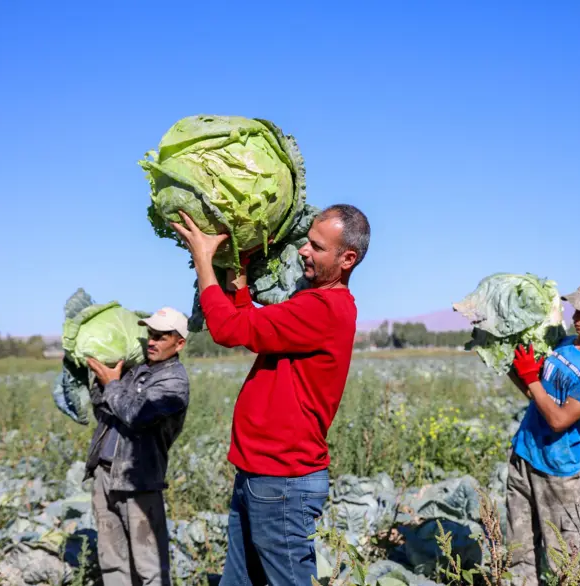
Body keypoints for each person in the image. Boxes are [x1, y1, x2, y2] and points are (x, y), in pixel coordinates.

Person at [170, 204, 370, 586]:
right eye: (307, 242)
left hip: (282, 481)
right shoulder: (312, 305)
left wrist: (204, 260)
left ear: (347, 259)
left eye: (316, 246)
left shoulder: (323, 309)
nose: (303, 251)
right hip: (260, 473)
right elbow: (255, 331)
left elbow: (228, 330)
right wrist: (241, 284)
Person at [505, 277, 580, 585]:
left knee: (564, 564)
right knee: (518, 554)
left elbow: (558, 420)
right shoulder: (565, 344)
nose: (576, 317)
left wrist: (531, 379)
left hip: (558, 474)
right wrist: (515, 369)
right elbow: (536, 396)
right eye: (575, 309)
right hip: (523, 455)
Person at [83, 307, 191, 586]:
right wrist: (100, 377)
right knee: (113, 562)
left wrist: (113, 384)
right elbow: (102, 408)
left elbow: (136, 415)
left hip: (138, 480)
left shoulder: (173, 382)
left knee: (150, 567)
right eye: (150, 335)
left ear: (179, 343)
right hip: (105, 476)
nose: (151, 342)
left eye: (161, 337)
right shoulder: (136, 371)